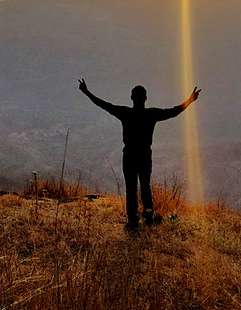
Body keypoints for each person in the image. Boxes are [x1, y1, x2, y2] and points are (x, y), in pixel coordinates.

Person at [78, 78, 200, 231]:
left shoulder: (125, 113)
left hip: (129, 154)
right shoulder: (151, 114)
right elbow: (173, 111)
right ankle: (148, 215)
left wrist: (87, 92)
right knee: (145, 186)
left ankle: (132, 218)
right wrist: (190, 100)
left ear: (131, 98)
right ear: (146, 98)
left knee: (131, 187)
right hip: (144, 155)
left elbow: (104, 105)